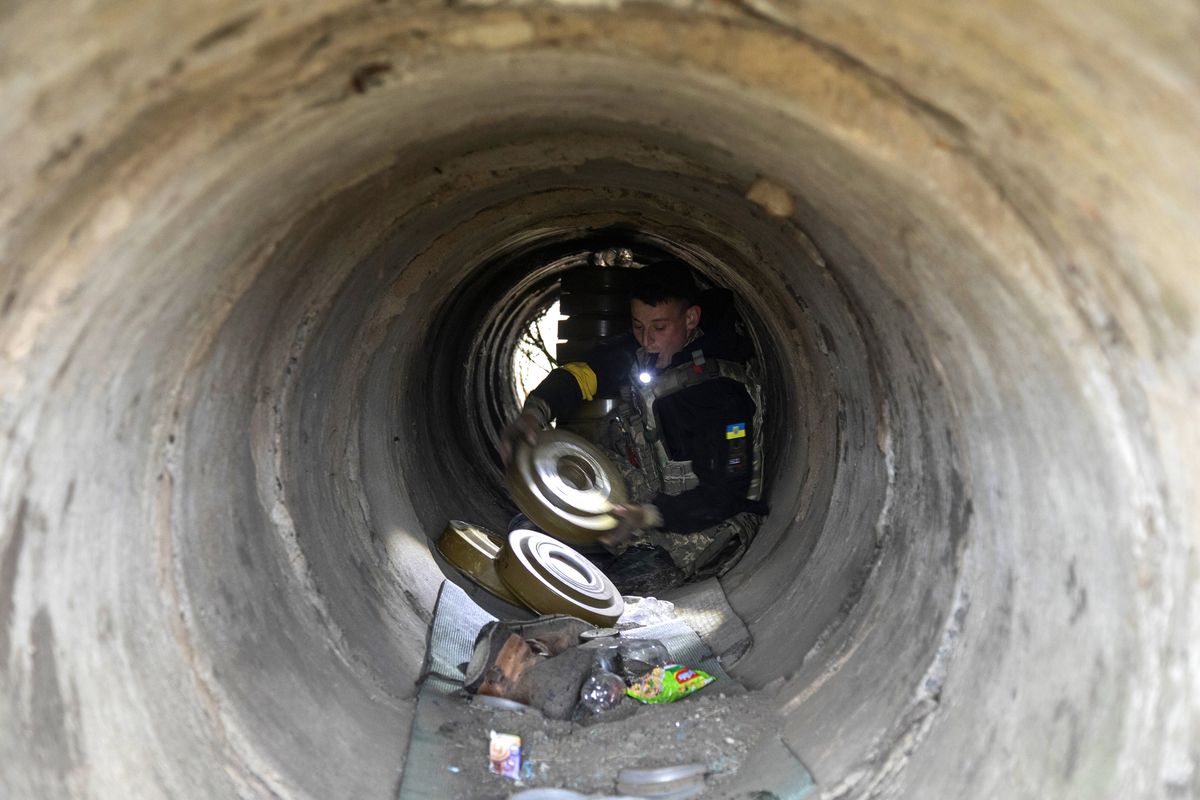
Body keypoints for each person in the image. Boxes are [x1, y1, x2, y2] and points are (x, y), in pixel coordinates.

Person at [500, 260, 767, 595]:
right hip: (652, 488)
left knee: (613, 583)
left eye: (658, 327)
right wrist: (536, 410)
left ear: (691, 319)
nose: (647, 340)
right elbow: (585, 374)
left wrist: (648, 516)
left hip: (708, 515)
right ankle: (596, 538)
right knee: (565, 493)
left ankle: (631, 551)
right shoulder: (641, 350)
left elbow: (726, 492)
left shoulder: (722, 393)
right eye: (638, 325)